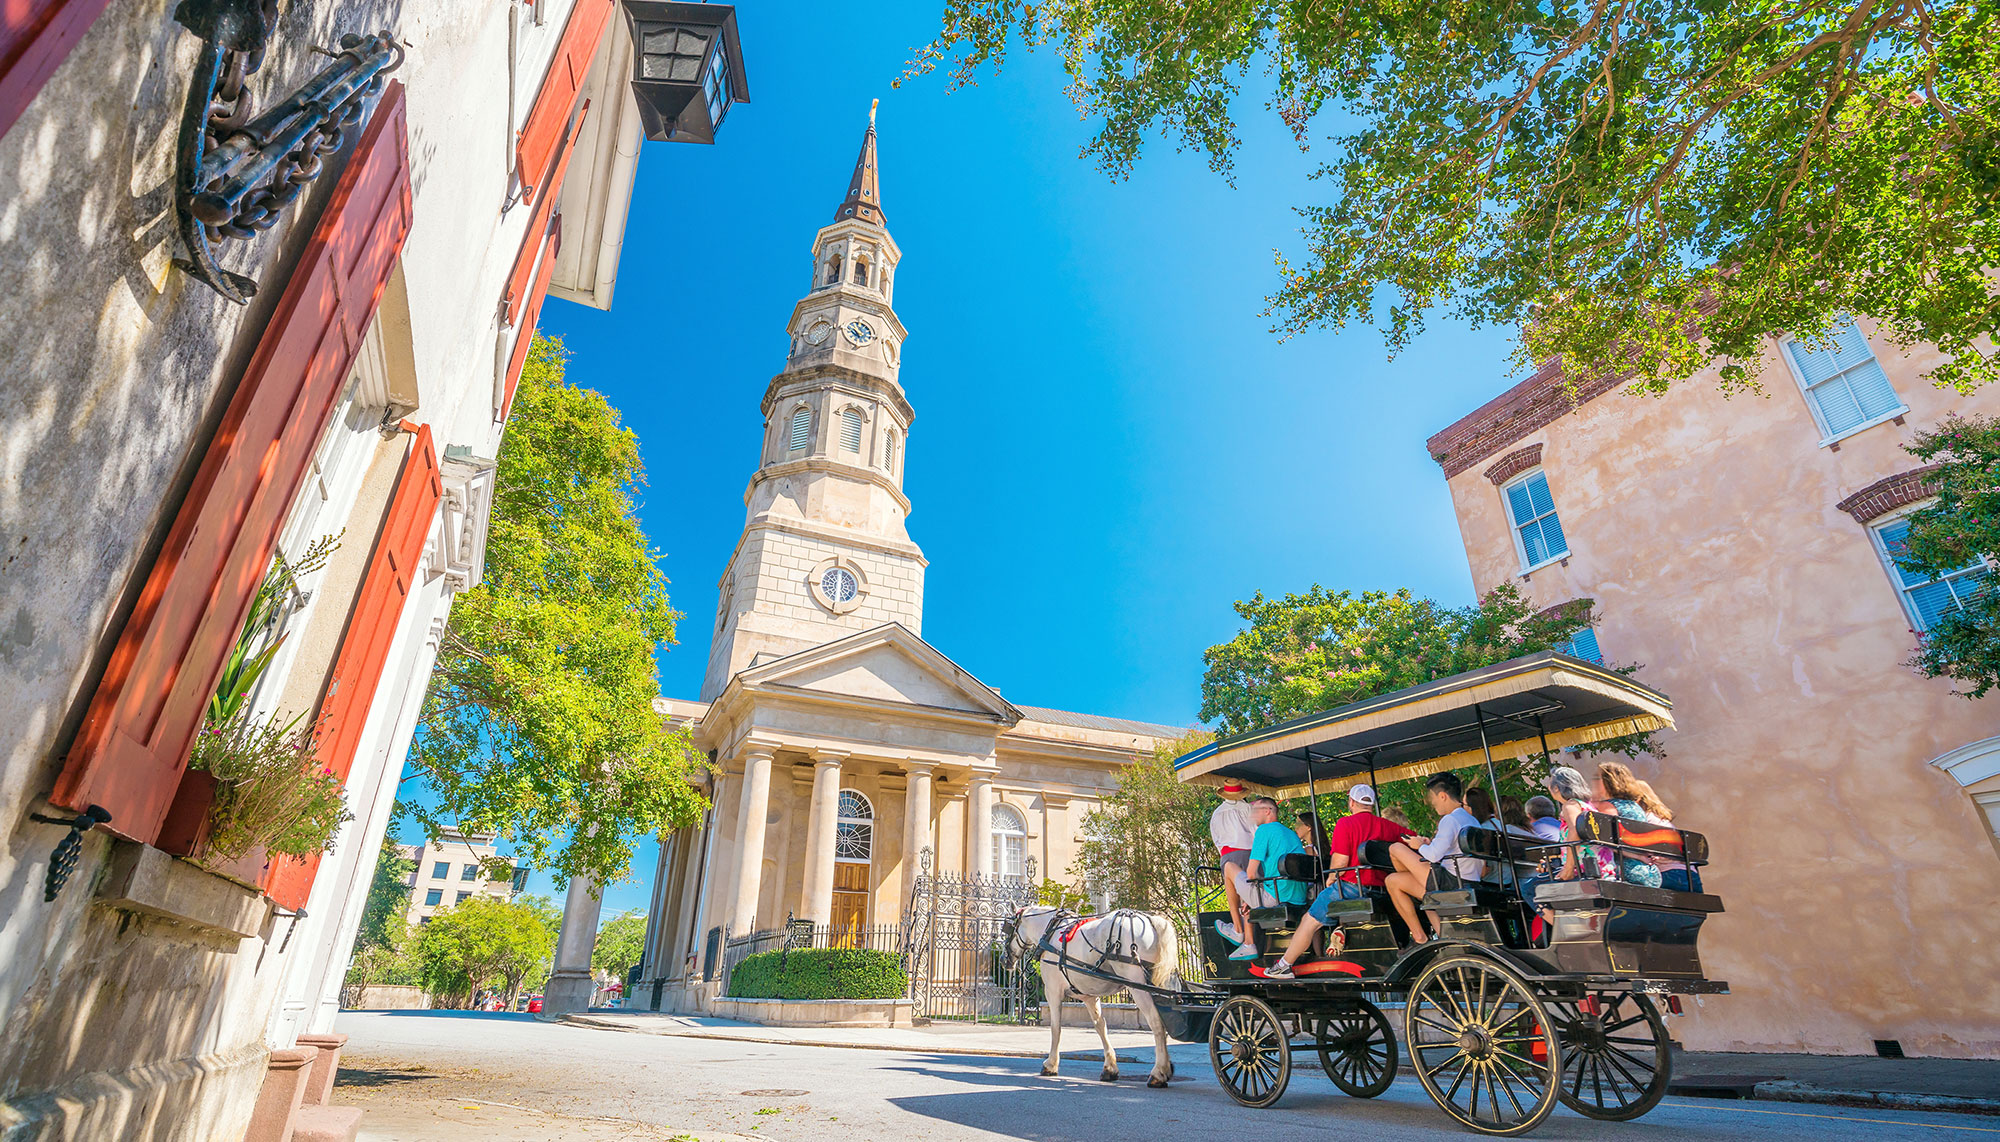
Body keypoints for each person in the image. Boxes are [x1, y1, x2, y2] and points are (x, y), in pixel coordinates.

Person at [1261, 783, 1410, 979]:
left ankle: (1284, 965)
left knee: (1309, 919)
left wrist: (1330, 879)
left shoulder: (1345, 824)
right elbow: (1414, 839)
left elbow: (1340, 863)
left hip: (1353, 887)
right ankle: (1340, 933)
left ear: (1351, 802)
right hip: (1382, 889)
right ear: (1372, 804)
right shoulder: (1388, 826)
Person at [1382, 773, 1483, 944]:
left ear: (1442, 796)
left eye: (1432, 798)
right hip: (1468, 878)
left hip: (1451, 880)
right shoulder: (1471, 819)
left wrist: (1418, 845)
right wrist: (1429, 843)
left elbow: (1433, 855)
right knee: (1392, 880)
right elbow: (1444, 849)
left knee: (1396, 848)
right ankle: (1437, 936)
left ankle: (1420, 936)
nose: (1432, 803)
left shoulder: (1449, 819)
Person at [1228, 797, 1313, 960]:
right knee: (1252, 891)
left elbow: (1251, 874)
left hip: (1276, 897)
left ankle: (1239, 933)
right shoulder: (1291, 834)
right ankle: (1247, 939)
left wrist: (1252, 895)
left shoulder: (1264, 831)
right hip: (1299, 897)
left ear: (1268, 811)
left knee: (1229, 867)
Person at [1209, 782, 1258, 945]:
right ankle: (1250, 936)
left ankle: (1237, 928)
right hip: (1249, 852)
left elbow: (1216, 839)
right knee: (1247, 894)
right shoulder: (1247, 809)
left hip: (1227, 854)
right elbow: (1256, 832)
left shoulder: (1217, 813)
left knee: (1233, 896)